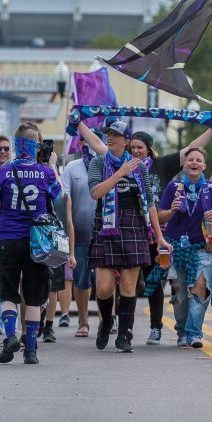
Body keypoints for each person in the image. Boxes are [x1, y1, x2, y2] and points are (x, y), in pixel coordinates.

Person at [79, 119, 170, 353]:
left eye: (116, 135)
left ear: (126, 141)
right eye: (108, 134)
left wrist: (159, 237)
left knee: (129, 286)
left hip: (133, 225)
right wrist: (119, 173)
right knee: (103, 288)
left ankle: (124, 335)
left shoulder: (139, 166)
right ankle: (106, 320)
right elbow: (95, 192)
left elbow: (149, 202)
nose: (110, 138)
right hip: (106, 224)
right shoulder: (98, 163)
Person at [0, 123, 64, 365]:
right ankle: (31, 351)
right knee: (34, 296)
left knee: (8, 291)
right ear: (36, 146)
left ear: (16, 145)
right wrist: (52, 167)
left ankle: (9, 337)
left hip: (7, 238)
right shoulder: (44, 172)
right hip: (37, 242)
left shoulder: (3, 172)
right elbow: (59, 197)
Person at [158, 147, 212, 348]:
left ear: (204, 165)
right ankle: (182, 331)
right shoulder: (173, 187)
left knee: (199, 290)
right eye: (190, 160)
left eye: (198, 160)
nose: (194, 163)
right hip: (177, 247)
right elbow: (160, 216)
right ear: (185, 164)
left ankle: (195, 333)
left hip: (203, 247)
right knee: (179, 295)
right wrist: (172, 210)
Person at [62, 143, 98, 338]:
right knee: (81, 280)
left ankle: (107, 319)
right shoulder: (72, 167)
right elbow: (64, 197)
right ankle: (83, 322)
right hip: (79, 234)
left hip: (103, 234)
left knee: (103, 281)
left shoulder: (107, 166)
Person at [41, 188, 76, 343]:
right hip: (38, 242)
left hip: (57, 245)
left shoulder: (64, 197)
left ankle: (48, 325)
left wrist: (72, 254)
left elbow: (69, 225)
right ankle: (37, 321)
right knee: (36, 285)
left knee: (53, 287)